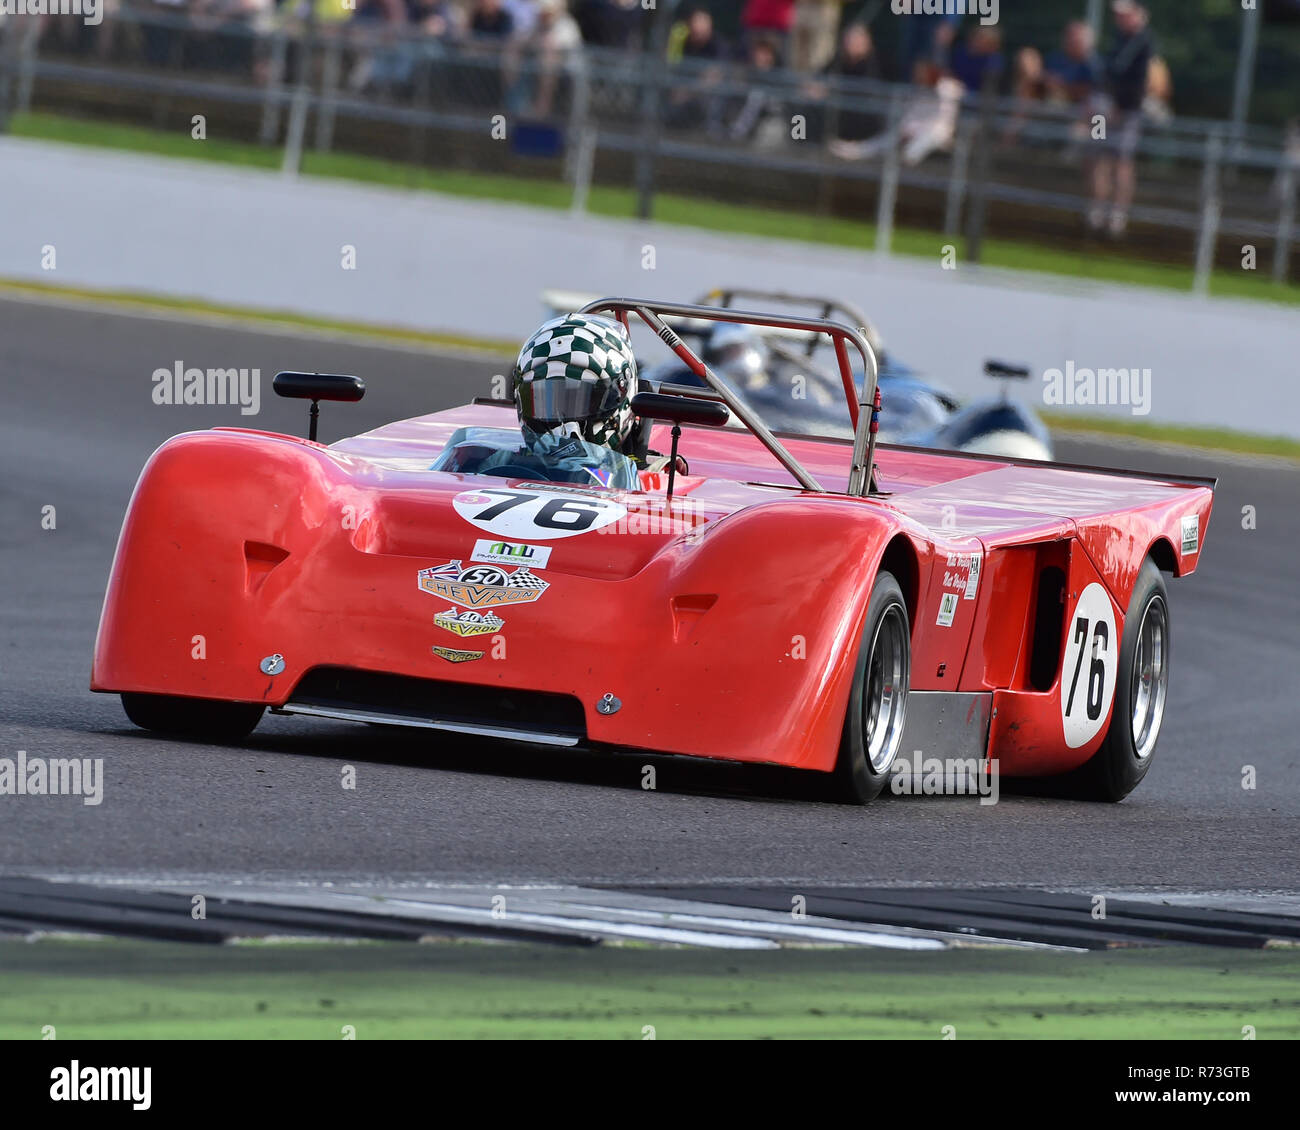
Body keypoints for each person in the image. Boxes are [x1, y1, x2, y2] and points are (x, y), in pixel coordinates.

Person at [432, 313, 645, 489]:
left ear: (619, 397)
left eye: (577, 401)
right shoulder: (497, 461)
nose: (561, 421)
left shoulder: (643, 482)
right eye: (545, 400)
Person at [1090, 0, 1154, 238]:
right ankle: (1097, 209)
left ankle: (1117, 214)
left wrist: (1119, 106)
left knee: (1122, 161)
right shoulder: (1119, 40)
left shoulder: (1143, 42)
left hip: (1127, 111)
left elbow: (1138, 83)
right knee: (1100, 158)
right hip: (1109, 109)